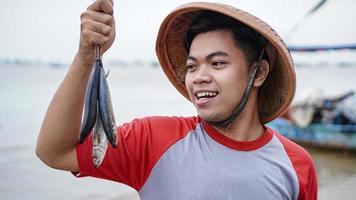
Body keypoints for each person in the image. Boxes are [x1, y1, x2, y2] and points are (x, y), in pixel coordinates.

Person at [36, 1, 318, 199]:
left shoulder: (297, 165)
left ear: (259, 73)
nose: (198, 77)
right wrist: (86, 57)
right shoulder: (153, 139)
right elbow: (54, 152)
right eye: (192, 66)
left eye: (217, 63)